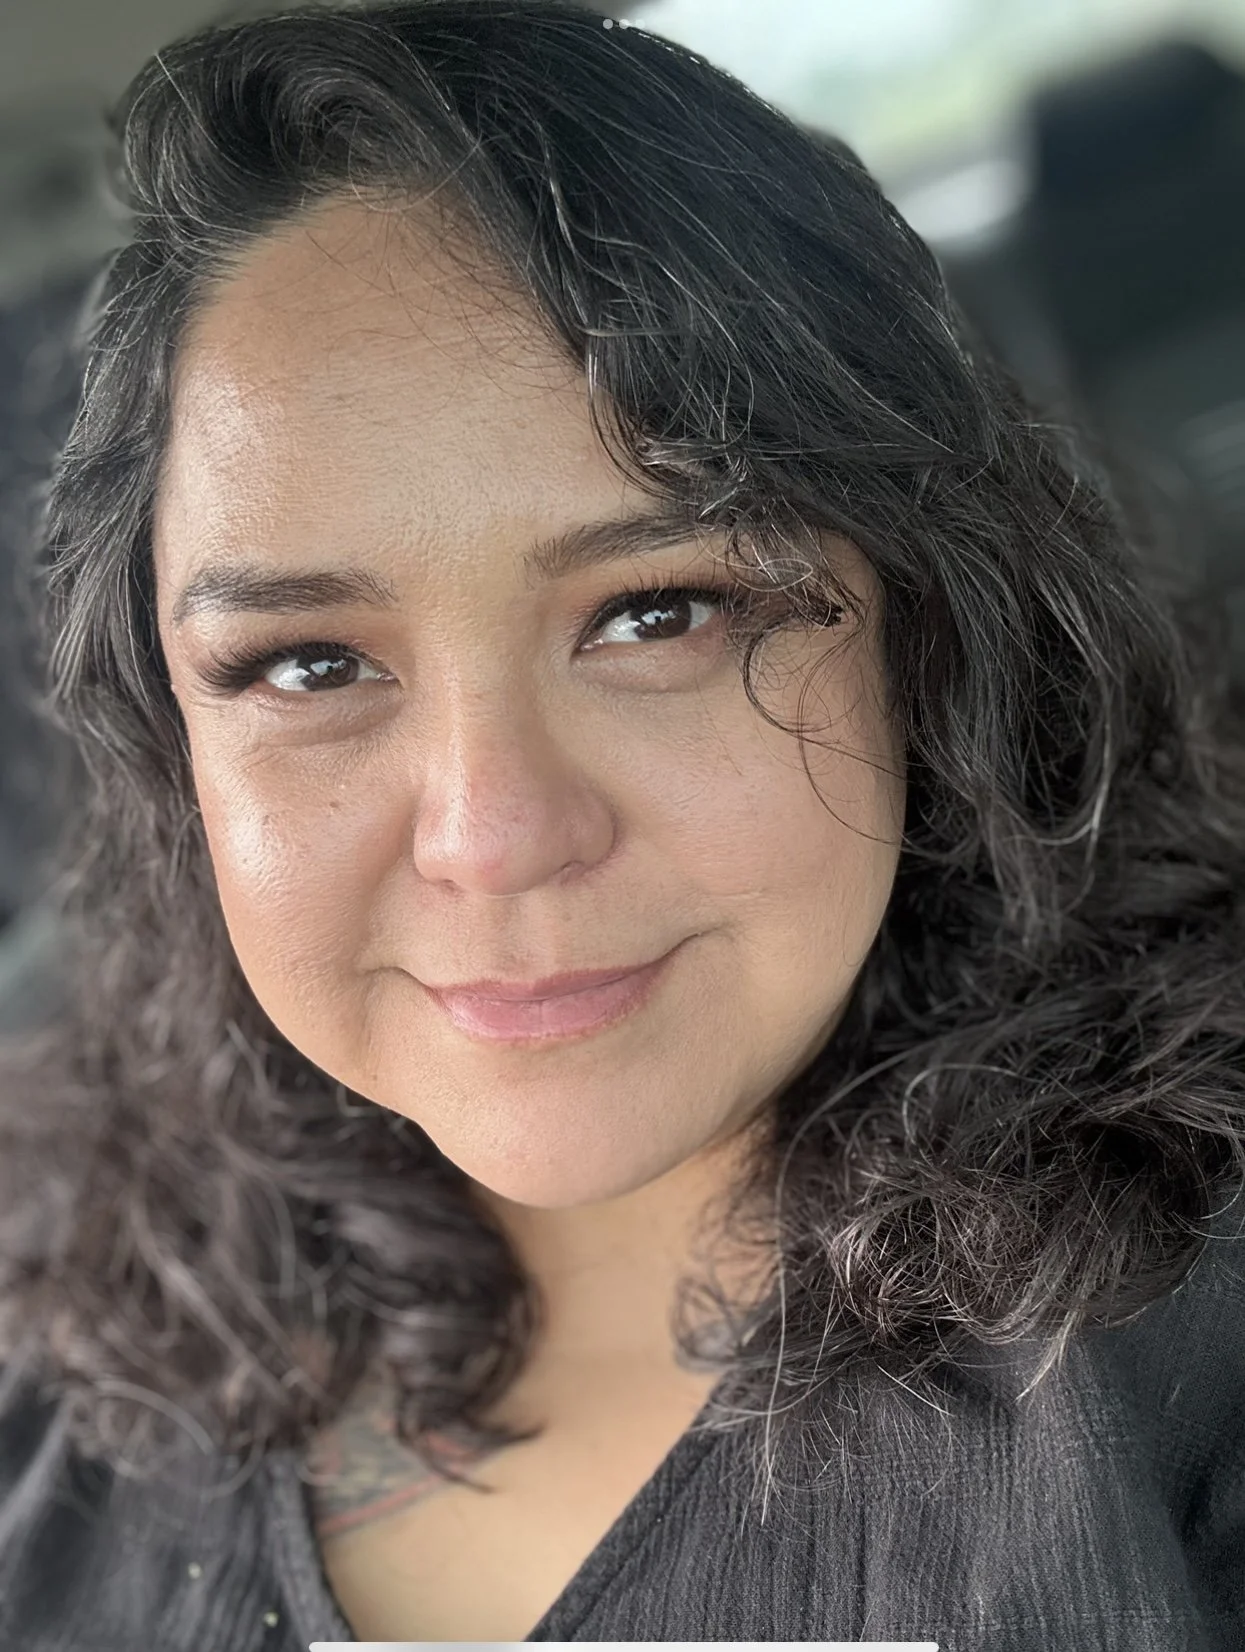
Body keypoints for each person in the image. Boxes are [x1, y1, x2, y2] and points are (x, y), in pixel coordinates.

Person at [1, 2, 1243, 1647]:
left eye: (660, 614)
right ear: (174, 742)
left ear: (923, 632)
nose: (496, 835)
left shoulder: (1189, 1339)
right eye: (308, 663)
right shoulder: (54, 1334)